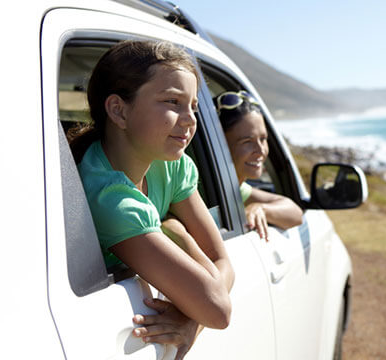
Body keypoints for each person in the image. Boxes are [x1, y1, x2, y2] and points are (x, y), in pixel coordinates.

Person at [69, 40, 234, 359]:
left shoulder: (172, 165)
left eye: (193, 107)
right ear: (118, 110)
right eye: (172, 102)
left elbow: (223, 265)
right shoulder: (108, 198)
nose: (189, 121)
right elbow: (218, 309)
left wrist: (190, 320)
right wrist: (182, 238)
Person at [215, 90, 303, 240]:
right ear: (220, 144)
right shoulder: (205, 189)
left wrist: (261, 208)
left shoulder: (233, 187)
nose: (261, 151)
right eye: (247, 142)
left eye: (263, 139)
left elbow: (295, 213)